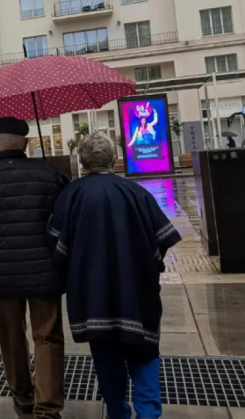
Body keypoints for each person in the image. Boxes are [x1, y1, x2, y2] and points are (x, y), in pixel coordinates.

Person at [48, 132, 182, 419]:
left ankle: (117, 412)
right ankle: (148, 413)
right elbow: (162, 240)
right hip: (137, 292)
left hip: (92, 294)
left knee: (106, 356)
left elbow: (58, 247)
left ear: (83, 161)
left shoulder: (71, 195)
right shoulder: (136, 192)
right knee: (144, 352)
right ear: (114, 158)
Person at [0, 117, 70, 419]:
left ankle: (22, 395)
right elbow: (66, 223)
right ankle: (48, 407)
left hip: (2, 276)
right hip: (45, 274)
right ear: (26, 142)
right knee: (47, 337)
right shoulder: (51, 174)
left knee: (11, 337)